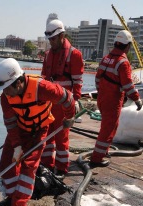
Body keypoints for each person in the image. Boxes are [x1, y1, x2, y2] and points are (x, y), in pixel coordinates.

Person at [0, 58, 75, 206]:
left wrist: (69, 117)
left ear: (19, 82)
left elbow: (67, 98)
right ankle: (13, 197)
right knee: (6, 166)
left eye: (7, 88)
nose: (5, 93)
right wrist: (16, 145)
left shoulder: (42, 88)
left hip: (39, 131)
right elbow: (10, 123)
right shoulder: (5, 97)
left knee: (28, 169)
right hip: (20, 131)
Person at [90, 30, 142, 168]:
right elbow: (127, 85)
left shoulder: (105, 58)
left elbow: (97, 79)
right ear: (127, 46)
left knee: (107, 127)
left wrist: (101, 93)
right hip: (113, 101)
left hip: (102, 99)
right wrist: (137, 99)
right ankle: (97, 158)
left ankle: (103, 152)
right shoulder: (123, 62)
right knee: (108, 130)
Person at [40, 19, 84, 179]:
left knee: (62, 138)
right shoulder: (47, 55)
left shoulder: (74, 54)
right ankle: (45, 165)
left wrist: (77, 100)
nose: (51, 42)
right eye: (49, 39)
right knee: (46, 136)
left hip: (64, 104)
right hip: (48, 103)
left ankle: (61, 168)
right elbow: (43, 79)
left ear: (61, 35)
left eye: (53, 39)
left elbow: (78, 81)